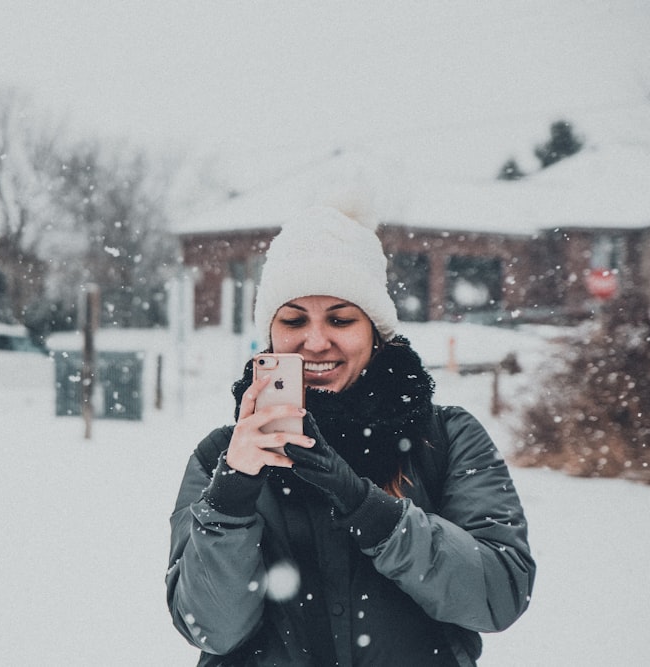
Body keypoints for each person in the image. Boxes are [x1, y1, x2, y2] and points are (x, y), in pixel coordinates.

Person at [166, 203, 535, 666]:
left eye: (340, 320)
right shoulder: (221, 457)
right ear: (270, 335)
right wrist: (231, 498)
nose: (316, 342)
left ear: (376, 332)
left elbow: (499, 595)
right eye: (294, 320)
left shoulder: (444, 438)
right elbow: (210, 628)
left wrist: (367, 507)